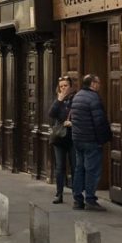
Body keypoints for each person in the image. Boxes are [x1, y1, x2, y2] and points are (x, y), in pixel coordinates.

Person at [69, 73, 111, 211]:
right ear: (92, 83)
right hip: (91, 140)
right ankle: (90, 199)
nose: (99, 85)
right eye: (98, 82)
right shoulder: (93, 98)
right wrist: (103, 139)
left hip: (78, 139)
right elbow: (99, 121)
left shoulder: (77, 96)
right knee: (92, 170)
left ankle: (77, 199)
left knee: (79, 168)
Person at [48, 74, 76, 205]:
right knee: (60, 167)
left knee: (75, 166)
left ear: (71, 86)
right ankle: (59, 194)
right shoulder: (58, 100)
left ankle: (77, 194)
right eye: (61, 86)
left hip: (72, 136)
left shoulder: (75, 98)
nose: (63, 88)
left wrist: (73, 123)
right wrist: (59, 100)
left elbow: (81, 115)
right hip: (59, 137)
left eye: (66, 86)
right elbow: (51, 114)